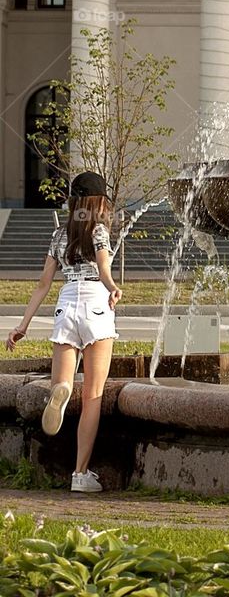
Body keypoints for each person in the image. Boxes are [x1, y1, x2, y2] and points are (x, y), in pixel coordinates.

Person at [5, 171, 122, 492]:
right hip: (96, 304)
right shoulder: (99, 231)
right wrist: (112, 288)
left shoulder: (59, 235)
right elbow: (103, 269)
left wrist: (23, 325)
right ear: (99, 202)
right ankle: (80, 474)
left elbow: (43, 284)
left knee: (64, 382)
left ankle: (61, 389)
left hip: (66, 304)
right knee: (93, 397)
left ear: (73, 201)